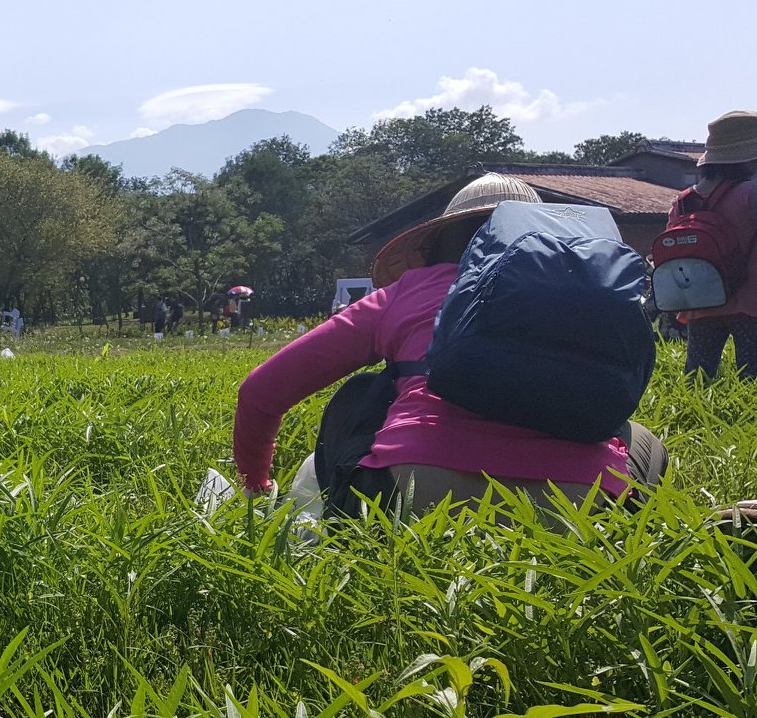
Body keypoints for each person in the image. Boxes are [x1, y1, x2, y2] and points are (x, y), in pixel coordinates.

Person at [235, 174, 666, 515]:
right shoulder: (586, 297)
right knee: (639, 436)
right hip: (583, 508)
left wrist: (257, 487)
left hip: (409, 495)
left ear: (445, 237)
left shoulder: (408, 291)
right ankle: (638, 526)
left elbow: (261, 392)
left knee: (361, 393)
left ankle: (342, 523)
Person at [673, 111, 757, 381]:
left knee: (698, 374)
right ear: (755, 158)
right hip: (752, 300)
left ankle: (691, 418)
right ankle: (749, 422)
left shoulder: (683, 200)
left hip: (701, 299)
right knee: (754, 376)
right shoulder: (753, 194)